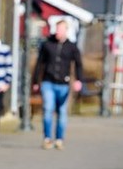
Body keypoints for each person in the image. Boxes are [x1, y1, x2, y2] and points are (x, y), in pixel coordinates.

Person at [31, 18, 84, 150]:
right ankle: (47, 138)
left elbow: (78, 64)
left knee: (62, 111)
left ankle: (59, 139)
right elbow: (39, 63)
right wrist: (36, 81)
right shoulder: (47, 44)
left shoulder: (71, 47)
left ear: (66, 30)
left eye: (61, 29)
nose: (58, 32)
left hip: (63, 84)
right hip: (48, 82)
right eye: (57, 29)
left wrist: (78, 80)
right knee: (48, 109)